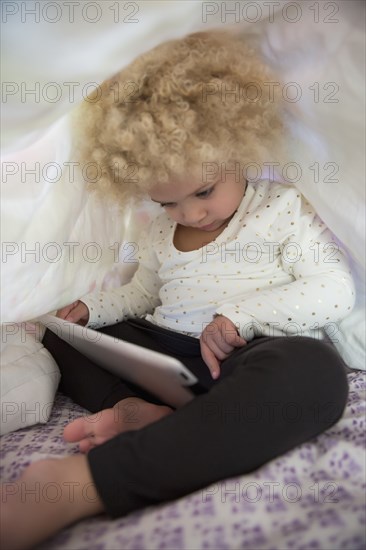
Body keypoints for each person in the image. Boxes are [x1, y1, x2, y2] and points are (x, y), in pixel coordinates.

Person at [0, 31, 355, 550]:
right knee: (61, 336)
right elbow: (143, 294)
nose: (189, 214)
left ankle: (87, 483)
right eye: (167, 203)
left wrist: (239, 318)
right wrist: (91, 309)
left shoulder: (280, 208)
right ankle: (131, 410)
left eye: (204, 191)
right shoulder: (158, 233)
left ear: (240, 150)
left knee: (315, 373)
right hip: (164, 354)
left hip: (242, 357)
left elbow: (334, 289)